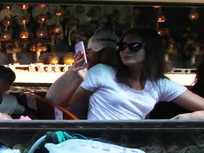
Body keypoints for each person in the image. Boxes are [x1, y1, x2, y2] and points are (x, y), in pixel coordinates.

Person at [67, 27, 204, 121]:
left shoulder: (159, 83)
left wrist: (192, 117)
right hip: (99, 144)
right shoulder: (102, 72)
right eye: (122, 46)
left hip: (132, 147)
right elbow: (62, 102)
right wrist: (73, 74)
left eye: (134, 46)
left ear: (150, 49)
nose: (126, 51)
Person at [45, 30, 119, 117]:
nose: (104, 58)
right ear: (87, 53)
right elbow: (52, 100)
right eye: (99, 53)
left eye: (111, 54)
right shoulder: (85, 72)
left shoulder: (116, 73)